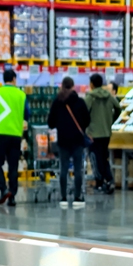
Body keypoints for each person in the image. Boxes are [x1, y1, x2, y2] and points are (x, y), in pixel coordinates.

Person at [47, 76, 91, 208]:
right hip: (77, 140)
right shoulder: (80, 102)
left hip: (63, 140)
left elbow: (51, 123)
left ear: (62, 86)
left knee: (63, 169)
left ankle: (63, 198)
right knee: (78, 169)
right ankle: (78, 197)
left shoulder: (57, 102)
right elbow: (87, 120)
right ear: (73, 86)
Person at [0, 68, 29, 206]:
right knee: (13, 165)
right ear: (14, 79)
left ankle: (3, 188)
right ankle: (12, 195)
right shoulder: (21, 95)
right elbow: (26, 115)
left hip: (0, 134)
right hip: (16, 135)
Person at [85, 73, 121, 195]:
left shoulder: (90, 97)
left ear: (92, 84)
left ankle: (101, 182)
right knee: (103, 158)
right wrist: (111, 120)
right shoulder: (109, 96)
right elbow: (118, 108)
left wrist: (86, 129)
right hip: (106, 132)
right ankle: (108, 181)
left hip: (93, 134)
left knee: (95, 158)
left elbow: (83, 113)